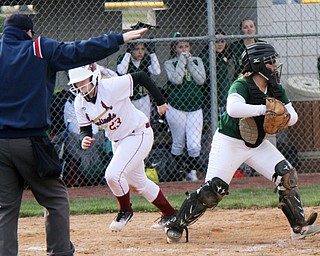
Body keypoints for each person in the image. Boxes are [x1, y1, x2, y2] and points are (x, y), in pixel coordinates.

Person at [0, 13, 147, 256]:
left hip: (1, 143)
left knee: (5, 207)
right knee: (55, 200)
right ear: (28, 32)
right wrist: (117, 38)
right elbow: (79, 51)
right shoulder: (38, 47)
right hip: (31, 140)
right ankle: (59, 252)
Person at [165, 42, 320, 243]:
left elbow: (293, 116)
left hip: (257, 144)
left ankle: (298, 227)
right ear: (258, 64)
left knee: (286, 175)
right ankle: (176, 223)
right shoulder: (242, 84)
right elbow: (233, 109)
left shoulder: (275, 88)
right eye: (271, 62)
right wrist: (264, 109)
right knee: (214, 191)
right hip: (229, 142)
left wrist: (281, 115)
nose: (275, 66)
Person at [67, 65, 176, 232]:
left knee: (112, 175)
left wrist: (160, 102)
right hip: (118, 141)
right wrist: (84, 138)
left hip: (138, 133)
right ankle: (171, 214)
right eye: (76, 83)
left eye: (83, 81)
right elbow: (85, 128)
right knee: (139, 183)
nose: (80, 87)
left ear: (93, 78)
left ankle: (125, 211)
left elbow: (141, 76)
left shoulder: (110, 87)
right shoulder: (79, 103)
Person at [164, 32, 206, 182]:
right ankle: (177, 173)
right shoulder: (170, 63)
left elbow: (201, 80)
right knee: (179, 143)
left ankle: (191, 172)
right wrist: (182, 60)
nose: (184, 49)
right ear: (175, 49)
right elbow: (176, 79)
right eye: (180, 47)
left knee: (194, 145)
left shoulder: (197, 60)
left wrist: (189, 62)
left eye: (186, 46)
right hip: (176, 107)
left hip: (195, 107)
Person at [116, 40, 161, 120]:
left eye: (143, 49)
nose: (140, 52)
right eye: (136, 49)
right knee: (129, 121)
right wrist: (128, 53)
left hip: (143, 96)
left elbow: (157, 71)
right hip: (128, 97)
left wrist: (152, 53)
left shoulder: (146, 58)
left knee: (144, 121)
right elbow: (122, 71)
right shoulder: (123, 57)